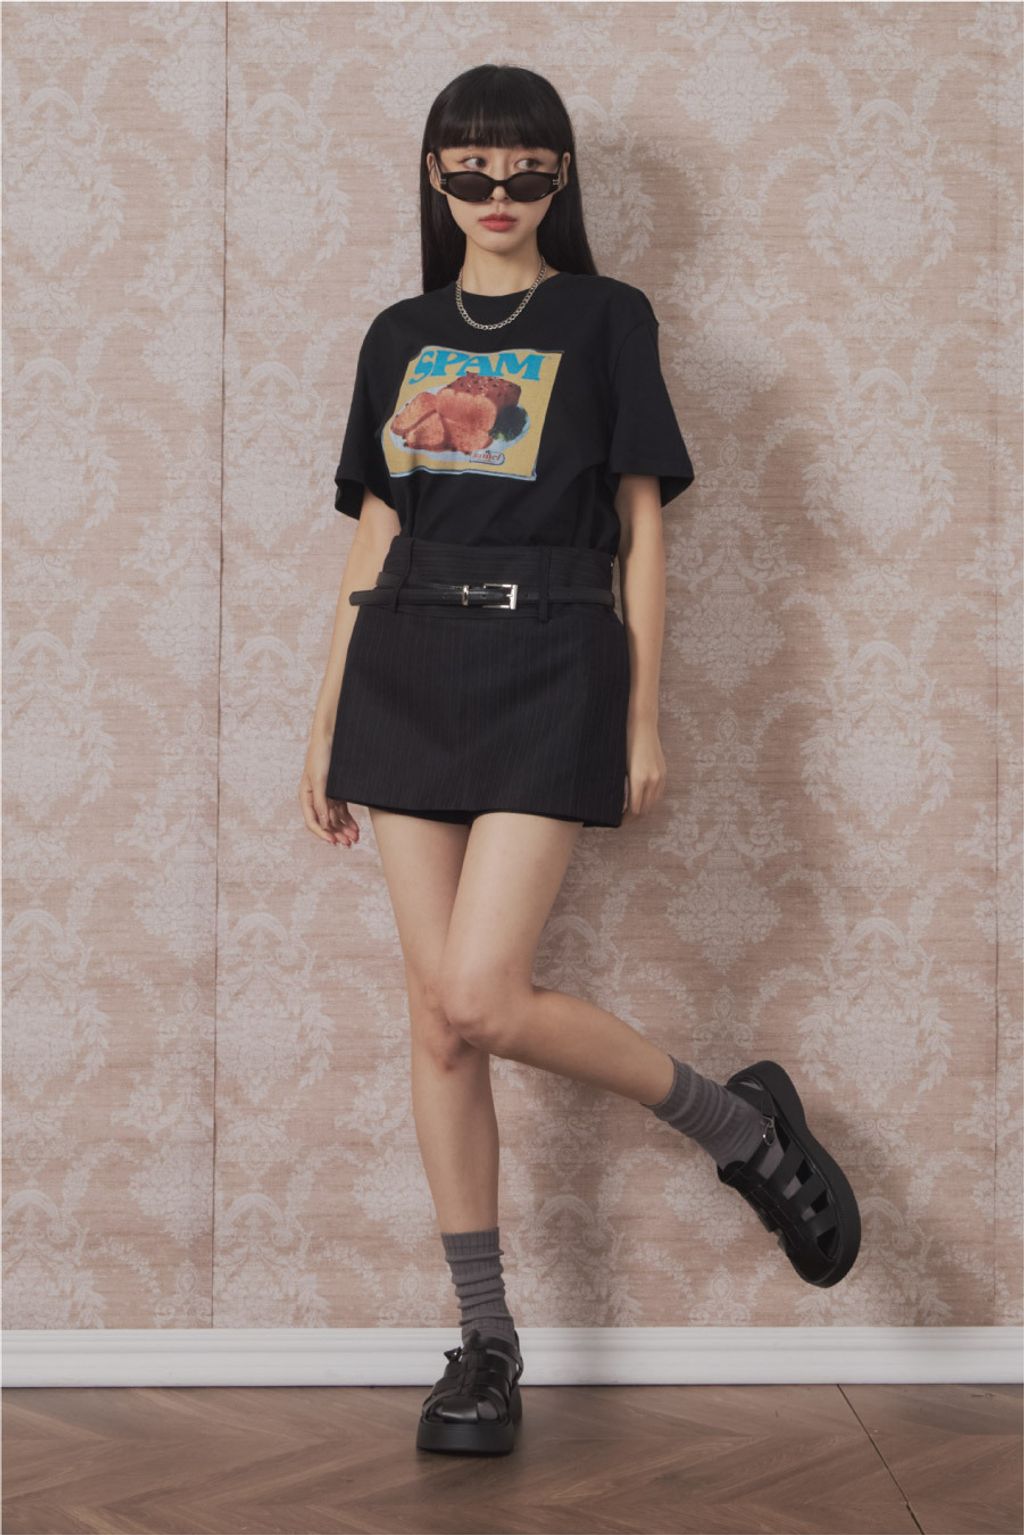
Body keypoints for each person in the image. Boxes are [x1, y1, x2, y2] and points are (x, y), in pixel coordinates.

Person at [301, 64, 860, 1458]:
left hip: (553, 658)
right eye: (469, 170)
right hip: (404, 667)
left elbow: (643, 523)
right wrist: (323, 722)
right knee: (440, 1021)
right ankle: (486, 1341)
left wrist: (642, 712)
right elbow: (377, 529)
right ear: (435, 179)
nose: (497, 194)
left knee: (485, 992)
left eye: (527, 170)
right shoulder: (400, 334)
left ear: (561, 179)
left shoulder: (608, 318)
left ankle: (736, 1126)